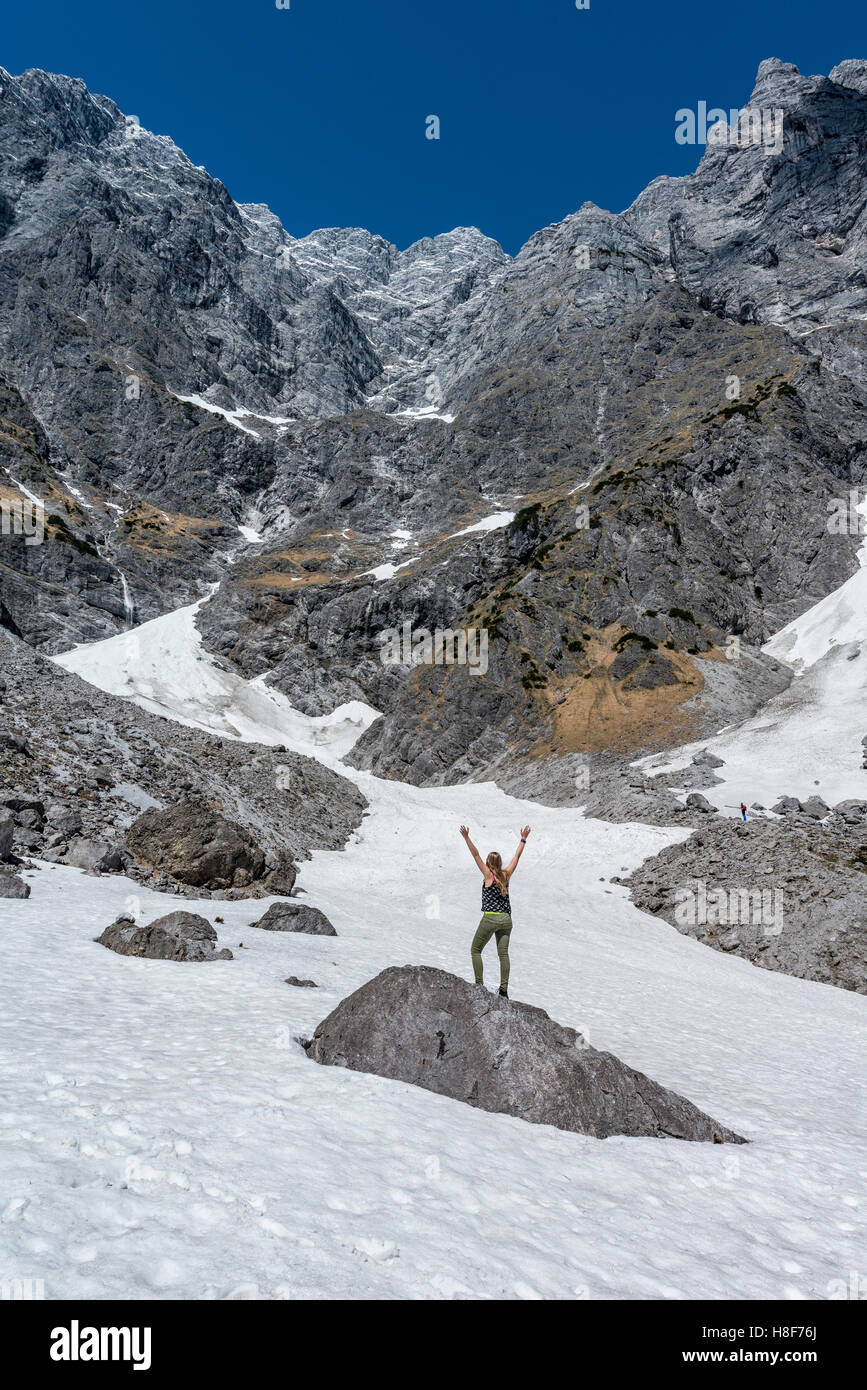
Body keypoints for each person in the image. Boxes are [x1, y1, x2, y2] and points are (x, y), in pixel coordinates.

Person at [459, 824, 531, 998]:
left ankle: (479, 985)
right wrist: (523, 838)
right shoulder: (506, 875)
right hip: (506, 920)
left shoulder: (487, 875)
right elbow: (516, 856)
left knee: (475, 950)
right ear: (499, 863)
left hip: (490, 918)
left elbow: (475, 854)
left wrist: (466, 838)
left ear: (488, 863)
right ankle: (504, 990)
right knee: (503, 954)